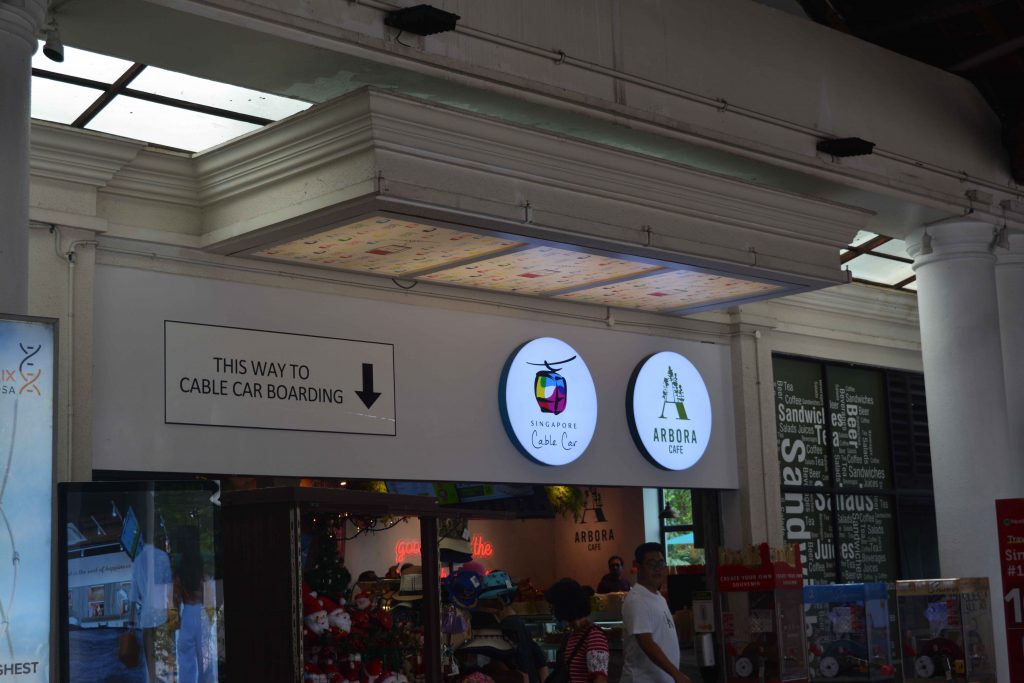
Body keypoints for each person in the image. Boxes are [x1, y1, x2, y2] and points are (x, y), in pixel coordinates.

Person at [620, 543, 692, 683]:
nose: (657, 568)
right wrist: (676, 674)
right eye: (651, 563)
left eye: (661, 563)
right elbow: (646, 642)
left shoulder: (658, 597)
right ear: (638, 567)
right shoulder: (637, 600)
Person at [544, 578, 609, 683]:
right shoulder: (572, 636)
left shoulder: (594, 636)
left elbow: (600, 678)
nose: (552, 610)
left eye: (554, 606)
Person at [174, 528, 211, 683]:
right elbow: (208, 593)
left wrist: (174, 622)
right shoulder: (201, 564)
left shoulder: (179, 566)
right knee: (205, 661)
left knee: (186, 664)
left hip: (187, 614)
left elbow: (175, 597)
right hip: (201, 613)